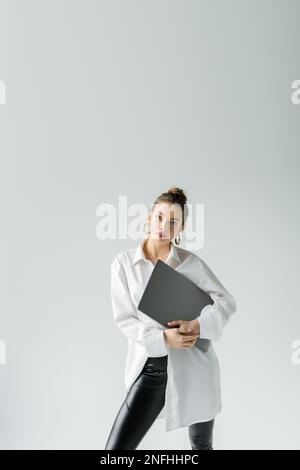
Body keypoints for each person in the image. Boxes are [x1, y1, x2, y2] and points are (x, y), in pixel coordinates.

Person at [105, 187, 237, 450]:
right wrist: (164, 338)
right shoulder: (123, 264)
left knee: (201, 447)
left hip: (195, 366)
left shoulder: (191, 264)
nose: (164, 225)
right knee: (115, 452)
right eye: (160, 217)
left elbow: (227, 302)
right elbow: (125, 319)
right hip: (151, 368)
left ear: (182, 228)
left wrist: (198, 325)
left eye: (173, 221)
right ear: (149, 218)